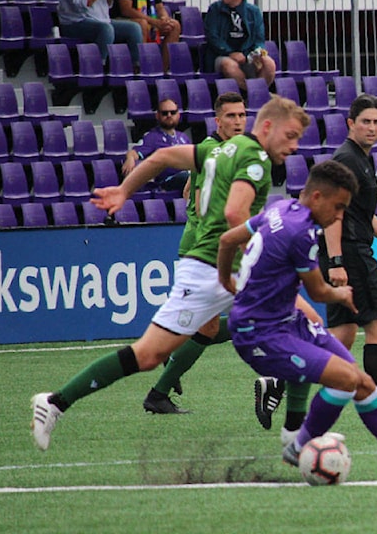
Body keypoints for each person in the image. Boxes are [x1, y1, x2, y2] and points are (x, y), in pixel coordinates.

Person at [30, 96, 308, 451]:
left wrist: (124, 191)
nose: (295, 145)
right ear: (268, 127)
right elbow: (235, 216)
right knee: (149, 354)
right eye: (291, 135)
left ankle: (294, 432)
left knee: (299, 323)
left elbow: (160, 158)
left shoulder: (222, 149)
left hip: (209, 265)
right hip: (215, 268)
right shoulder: (255, 159)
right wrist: (264, 261)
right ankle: (295, 432)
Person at [217, 161, 377, 480]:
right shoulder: (300, 233)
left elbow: (227, 242)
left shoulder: (281, 209)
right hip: (260, 334)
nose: (339, 216)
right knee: (345, 380)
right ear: (318, 196)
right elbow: (319, 292)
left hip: (287, 321)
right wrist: (342, 295)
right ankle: (298, 447)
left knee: (362, 382)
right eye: (338, 208)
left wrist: (229, 282)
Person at [305, 93, 377, 426]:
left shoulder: (363, 158)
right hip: (351, 253)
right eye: (365, 121)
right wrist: (337, 260)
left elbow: (360, 212)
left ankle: (282, 382)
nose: (371, 127)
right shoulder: (348, 160)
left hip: (353, 249)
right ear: (350, 123)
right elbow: (334, 215)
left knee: (342, 336)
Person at [140, 91, 247, 414]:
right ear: (218, 119)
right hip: (207, 245)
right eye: (232, 116)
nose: (239, 121)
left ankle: (168, 364)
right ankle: (160, 386)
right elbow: (199, 198)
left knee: (209, 325)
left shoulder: (214, 149)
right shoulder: (216, 151)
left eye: (242, 115)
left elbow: (189, 189)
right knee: (234, 320)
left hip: (203, 242)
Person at [203, 0, 276, 90]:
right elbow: (213, 37)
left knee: (269, 64)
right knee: (229, 66)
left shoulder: (254, 12)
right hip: (222, 55)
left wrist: (257, 53)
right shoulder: (215, 10)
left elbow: (259, 39)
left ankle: (257, 94)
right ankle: (252, 94)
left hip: (247, 54)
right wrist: (230, 53)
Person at [121, 98, 191, 193]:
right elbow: (134, 152)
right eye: (165, 113)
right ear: (158, 115)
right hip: (168, 181)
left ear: (178, 115)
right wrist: (130, 158)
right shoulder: (152, 137)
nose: (169, 115)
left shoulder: (183, 137)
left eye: (173, 112)